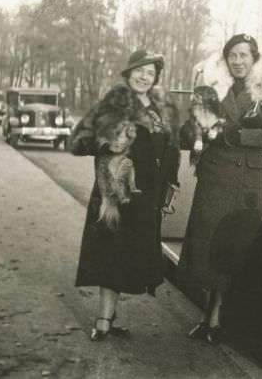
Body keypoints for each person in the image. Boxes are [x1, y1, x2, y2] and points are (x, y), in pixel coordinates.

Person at [177, 33, 262, 345]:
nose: (238, 61)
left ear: (255, 58)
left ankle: (221, 319)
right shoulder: (212, 88)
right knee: (210, 246)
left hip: (245, 180)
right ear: (225, 60)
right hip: (214, 175)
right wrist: (194, 128)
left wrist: (239, 136)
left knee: (234, 247)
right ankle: (208, 318)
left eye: (244, 55)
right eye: (232, 56)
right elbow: (190, 133)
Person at [71, 50, 181, 341]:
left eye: (151, 72)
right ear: (129, 72)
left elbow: (170, 148)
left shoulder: (160, 107)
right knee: (110, 255)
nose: (144, 76)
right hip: (117, 196)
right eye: (140, 70)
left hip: (148, 197)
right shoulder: (115, 101)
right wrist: (108, 141)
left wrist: (170, 185)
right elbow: (79, 140)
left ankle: (108, 319)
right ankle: (103, 321)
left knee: (128, 259)